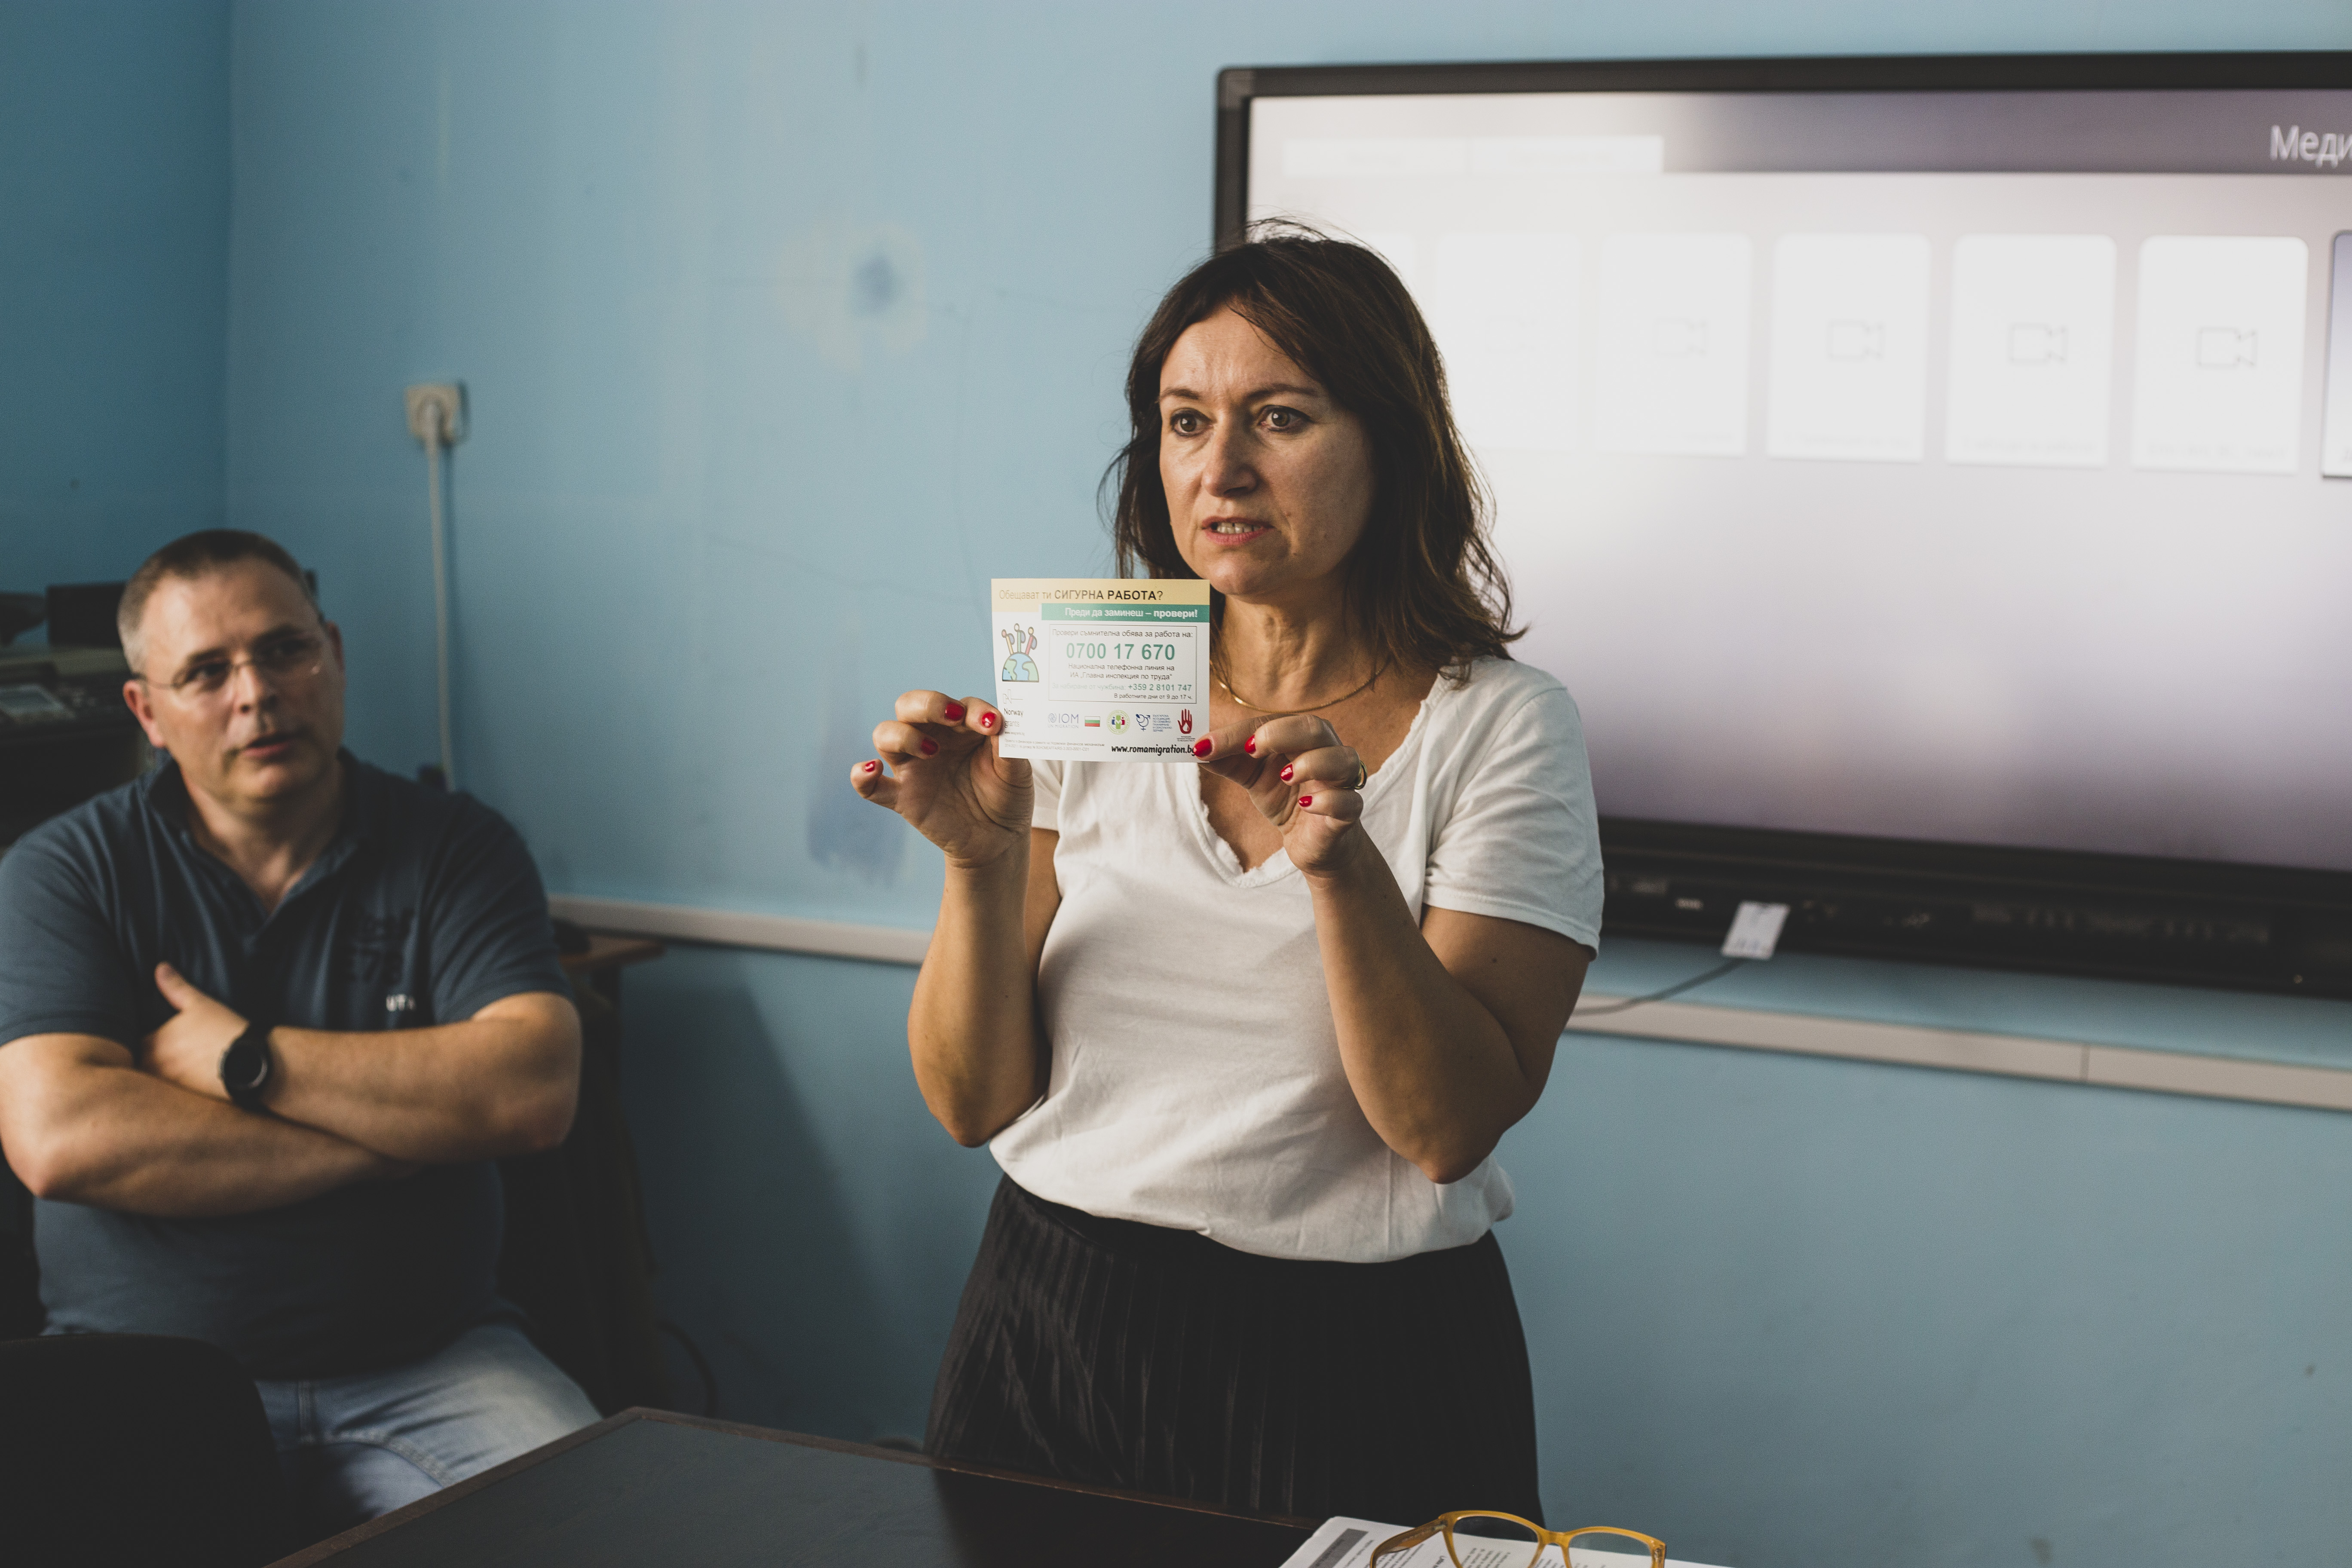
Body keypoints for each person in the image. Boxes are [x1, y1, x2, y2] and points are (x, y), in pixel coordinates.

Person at [851, 230, 1602, 1523]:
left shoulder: (1503, 725)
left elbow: (1444, 1127)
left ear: (1393, 442)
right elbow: (972, 1103)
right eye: (1186, 421)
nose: (1222, 466)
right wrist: (978, 864)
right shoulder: (1098, 675)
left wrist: (1341, 864)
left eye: (1282, 418)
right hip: (1052, 1319)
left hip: (1361, 1359)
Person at [0, 530, 600, 1540]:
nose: (257, 693)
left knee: (622, 1533)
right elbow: (62, 1138)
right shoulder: (62, 871)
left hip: (433, 1356)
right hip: (144, 1368)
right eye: (205, 672)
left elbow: (531, 1090)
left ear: (333, 653)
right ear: (145, 711)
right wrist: (387, 1139)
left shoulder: (458, 847)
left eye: (284, 650)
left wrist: (248, 1059)